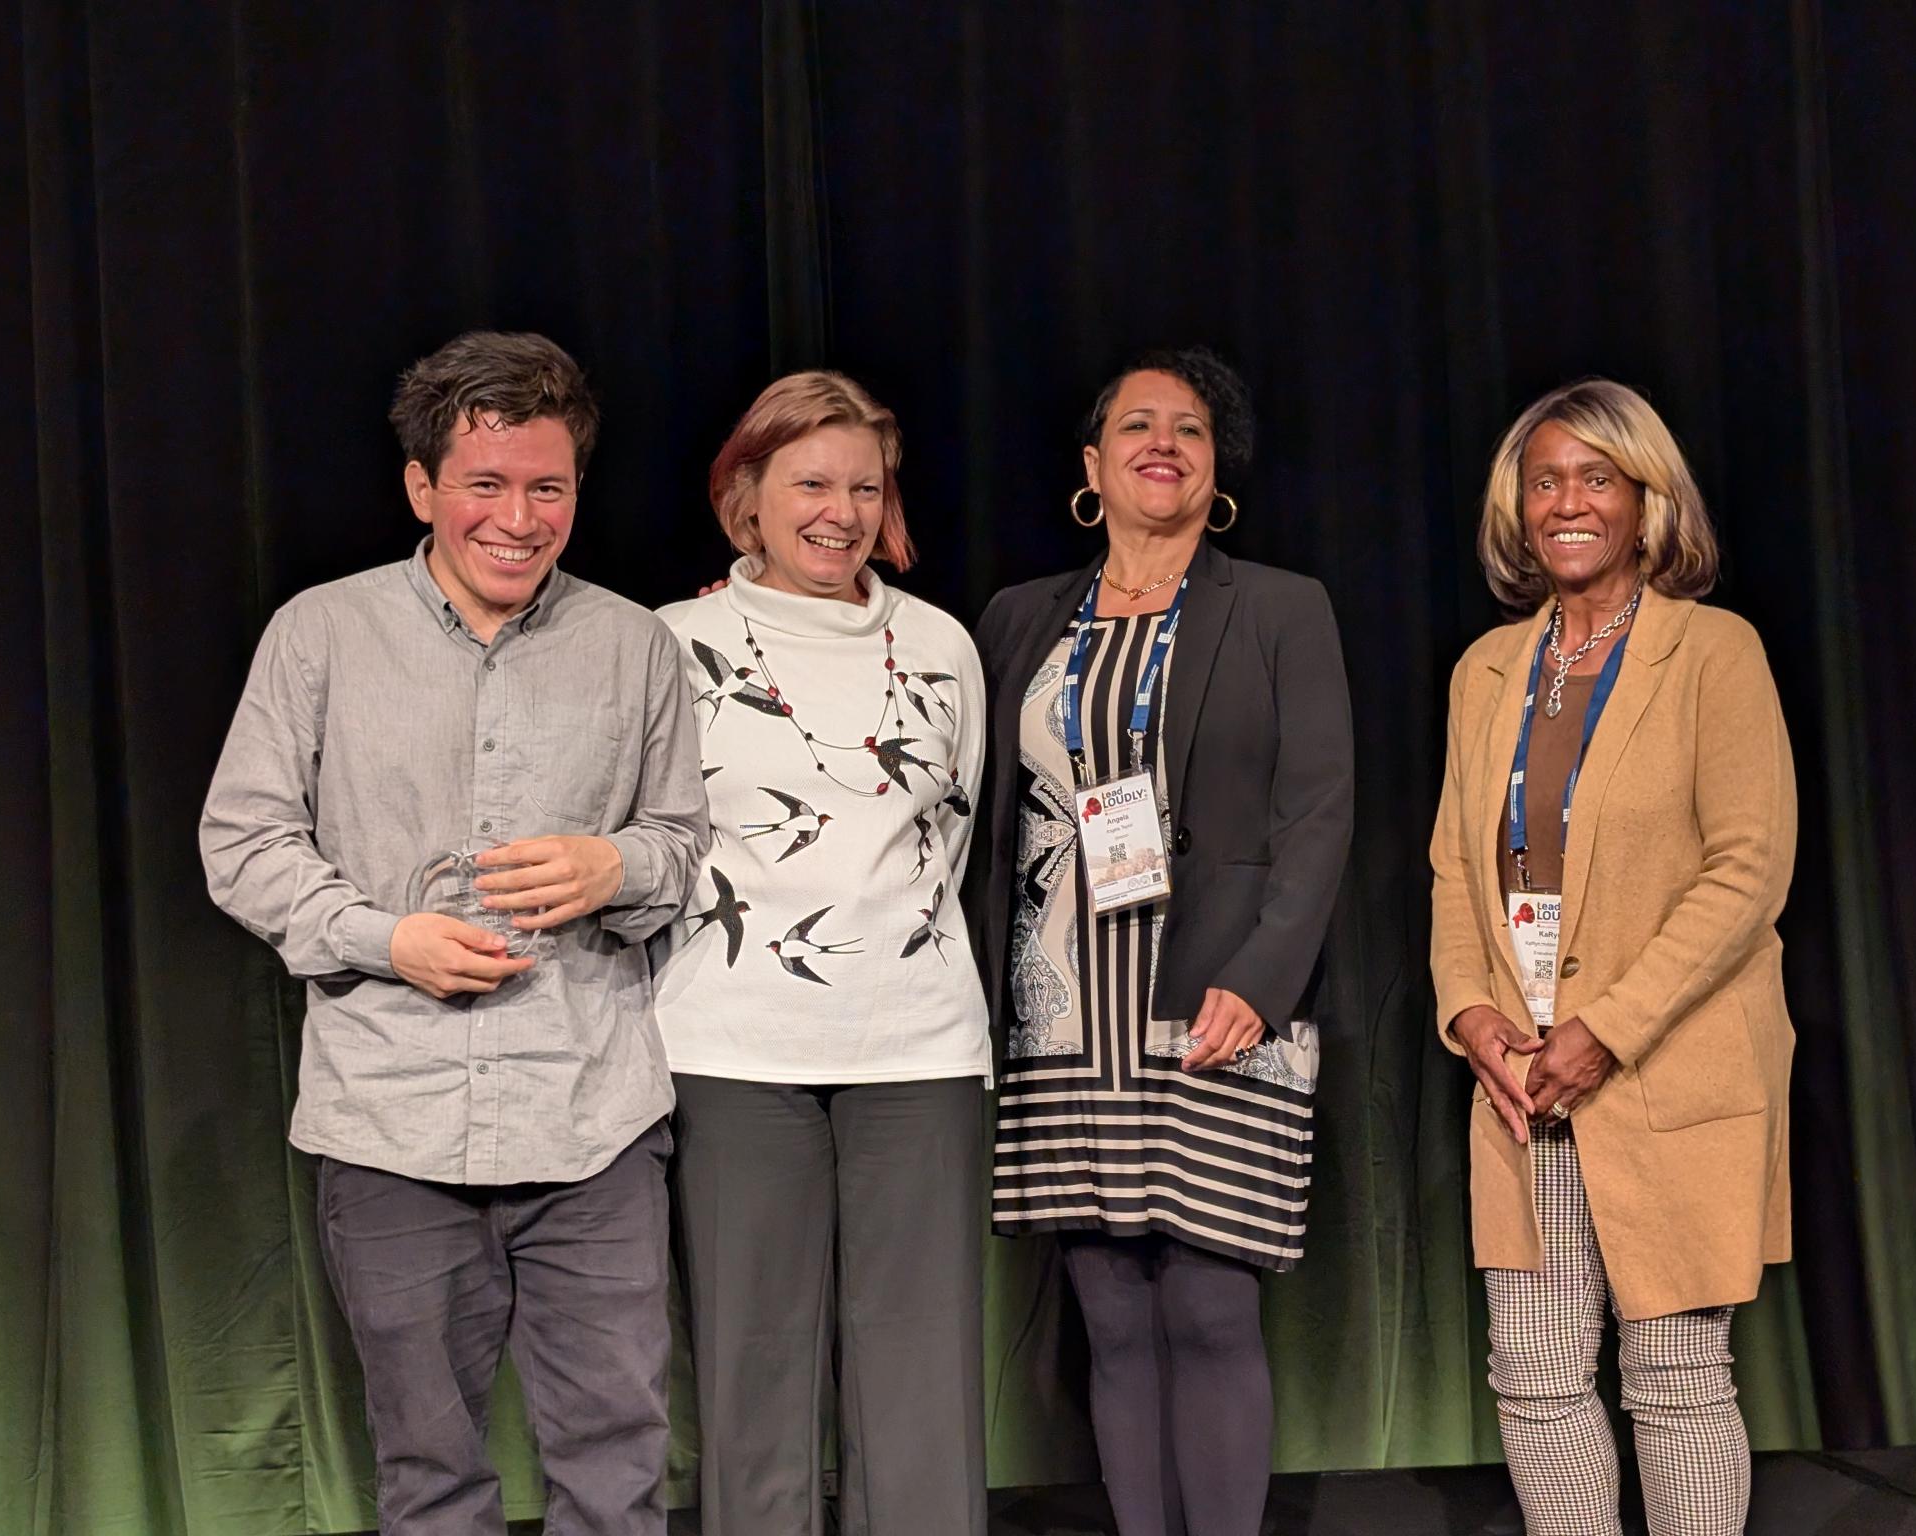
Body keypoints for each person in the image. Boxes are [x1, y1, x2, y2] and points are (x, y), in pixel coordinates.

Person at [200, 331, 708, 1536]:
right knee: (429, 1478)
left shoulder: (635, 645)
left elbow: (682, 848)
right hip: (392, 1122)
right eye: (485, 484)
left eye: (548, 488)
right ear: (424, 488)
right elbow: (245, 844)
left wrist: (613, 865)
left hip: (591, 1124)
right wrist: (388, 939)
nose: (518, 519)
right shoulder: (318, 634)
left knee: (618, 1468)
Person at [971, 347, 1354, 1536]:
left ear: (1214, 467)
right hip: (1063, 1009)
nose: (1162, 443)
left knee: (1206, 1310)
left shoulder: (1282, 607)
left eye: (1188, 428)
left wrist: (1263, 974)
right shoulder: (1019, 616)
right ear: (1092, 465)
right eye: (1136, 425)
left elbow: (1318, 808)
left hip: (1211, 1005)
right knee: (1116, 1321)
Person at [1428, 378, 1797, 1535]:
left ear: (1647, 501)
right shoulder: (1486, 669)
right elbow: (1452, 870)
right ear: (1518, 507)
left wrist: (1610, 1030)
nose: (1569, 503)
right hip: (1524, 1076)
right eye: (1546, 481)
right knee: (1534, 1379)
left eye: (1598, 478)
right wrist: (1471, 1017)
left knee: (1677, 1380)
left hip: (1665, 1066)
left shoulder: (1713, 652)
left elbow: (1747, 869)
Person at [652, 371, 991, 1536]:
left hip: (919, 1045)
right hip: (730, 1045)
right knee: (753, 1374)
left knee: (923, 1380)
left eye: (863, 484)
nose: (838, 511)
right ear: (746, 495)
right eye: (810, 482)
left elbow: (956, 830)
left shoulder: (942, 643)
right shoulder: (670, 643)